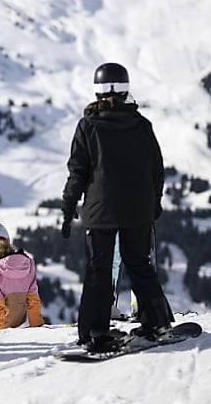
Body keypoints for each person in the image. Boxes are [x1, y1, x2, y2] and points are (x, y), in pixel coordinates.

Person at [61, 62, 172, 352]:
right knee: (139, 264)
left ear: (97, 90)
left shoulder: (88, 126)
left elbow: (78, 172)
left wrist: (68, 207)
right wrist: (155, 203)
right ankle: (157, 322)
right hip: (138, 210)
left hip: (101, 211)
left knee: (98, 270)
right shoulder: (141, 125)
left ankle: (95, 332)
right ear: (125, 89)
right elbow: (156, 170)